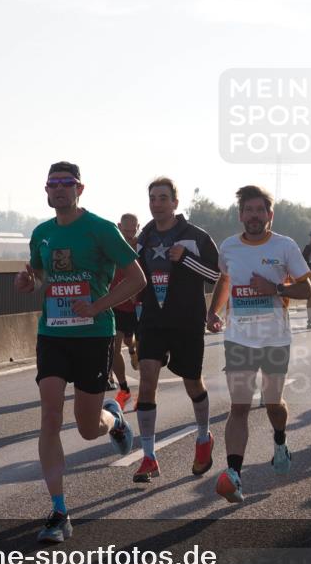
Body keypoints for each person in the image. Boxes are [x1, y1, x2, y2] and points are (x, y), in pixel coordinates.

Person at [15, 161, 147, 543]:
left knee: (88, 429)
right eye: (52, 184)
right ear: (46, 191)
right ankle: (59, 511)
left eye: (66, 184)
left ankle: (115, 420)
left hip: (93, 335)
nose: (59, 190)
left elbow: (136, 277)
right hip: (52, 333)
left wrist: (99, 305)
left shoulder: (102, 229)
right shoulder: (41, 233)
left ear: (80, 189)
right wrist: (30, 281)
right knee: (50, 415)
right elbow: (41, 276)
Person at [207, 185, 311, 504]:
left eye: (260, 210)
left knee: (272, 403)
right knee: (239, 407)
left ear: (270, 215)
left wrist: (275, 287)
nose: (254, 216)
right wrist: (213, 311)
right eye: (248, 210)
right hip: (238, 338)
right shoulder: (228, 247)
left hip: (275, 339)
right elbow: (225, 280)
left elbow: (308, 291)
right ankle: (234, 475)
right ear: (241, 215)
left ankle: (279, 440)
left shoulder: (285, 246)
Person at [132, 177, 221, 484]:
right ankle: (148, 456)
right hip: (153, 321)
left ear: (175, 203)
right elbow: (135, 274)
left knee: (192, 382)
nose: (157, 203)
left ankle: (202, 437)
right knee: (146, 383)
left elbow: (215, 274)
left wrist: (185, 259)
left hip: (186, 321)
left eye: (162, 198)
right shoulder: (145, 236)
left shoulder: (195, 236)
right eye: (152, 198)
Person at [110, 213, 141, 410]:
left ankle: (133, 349)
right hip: (117, 305)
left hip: (138, 306)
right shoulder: (111, 245)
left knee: (136, 344)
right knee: (114, 346)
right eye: (126, 231)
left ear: (138, 227)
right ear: (119, 226)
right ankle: (124, 389)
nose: (129, 236)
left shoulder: (142, 246)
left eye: (133, 231)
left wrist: (137, 295)